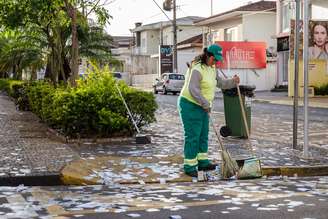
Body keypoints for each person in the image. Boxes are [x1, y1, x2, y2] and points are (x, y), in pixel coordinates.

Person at [178, 44, 240, 177]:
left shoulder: (212, 68)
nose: (216, 62)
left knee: (203, 134)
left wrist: (233, 82)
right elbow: (193, 89)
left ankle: (202, 162)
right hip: (190, 105)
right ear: (208, 55)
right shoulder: (197, 69)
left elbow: (221, 83)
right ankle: (189, 166)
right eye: (214, 59)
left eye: (218, 59)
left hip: (203, 105)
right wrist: (205, 103)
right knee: (193, 136)